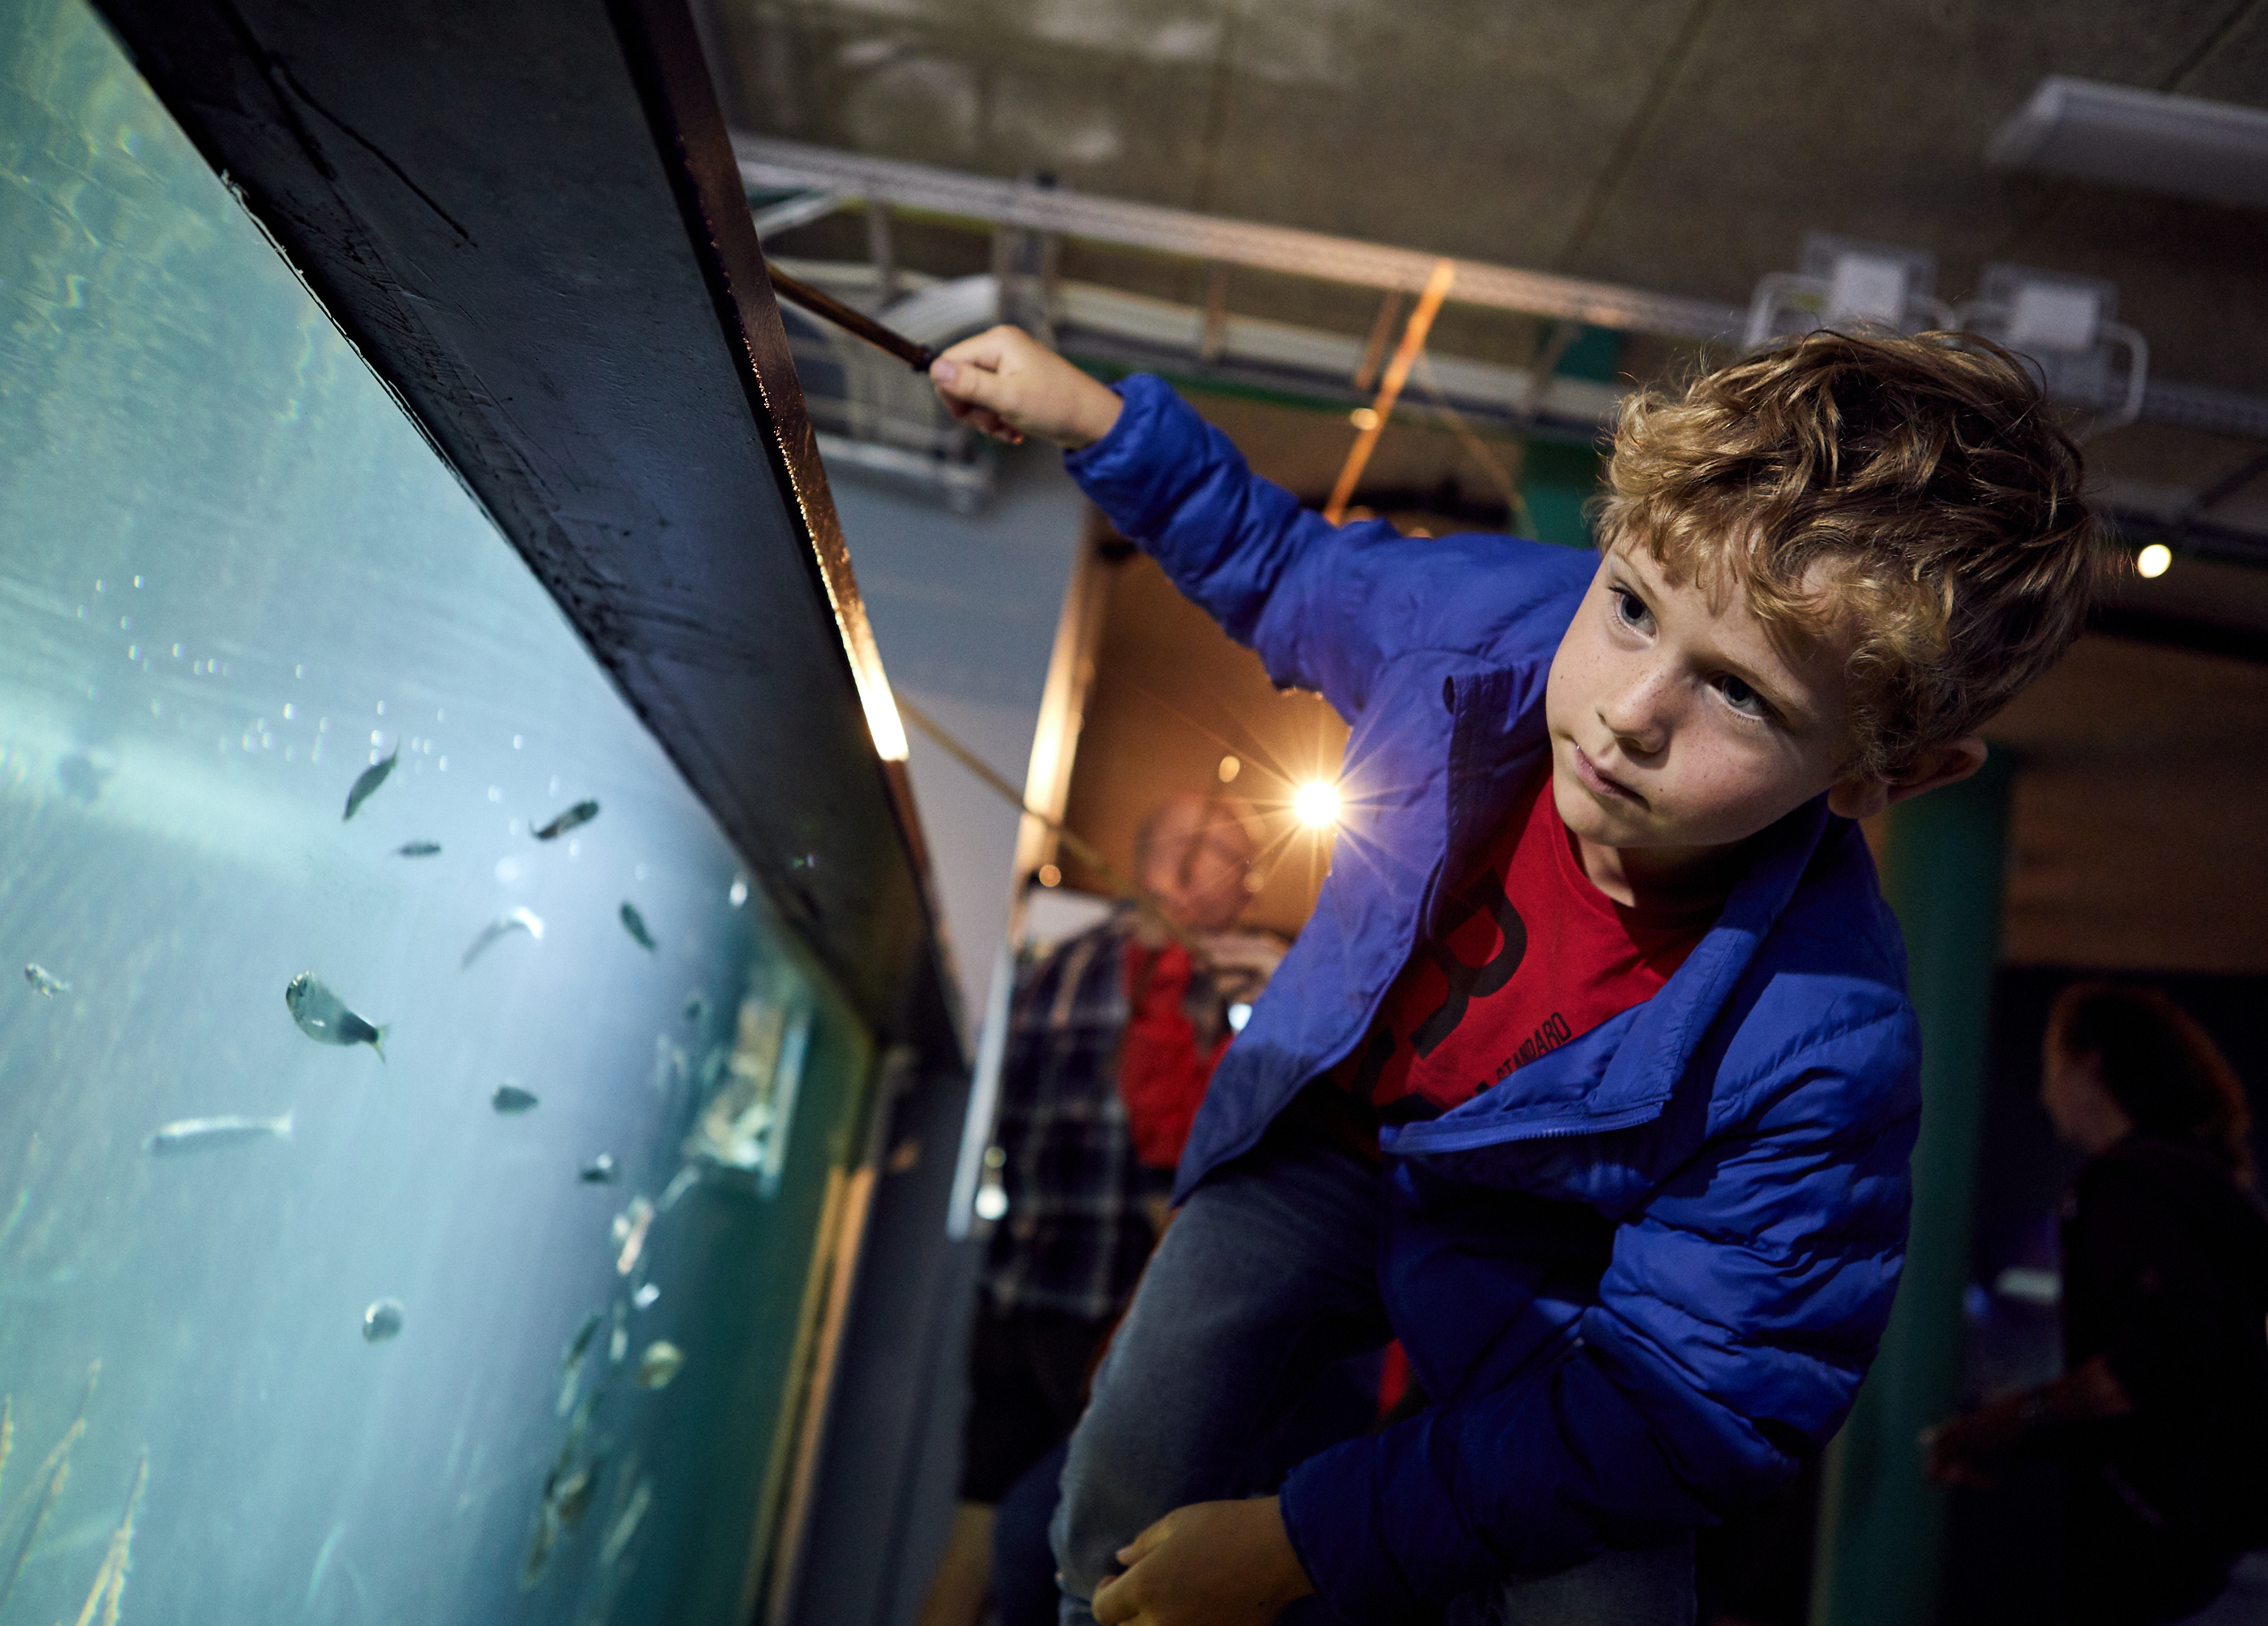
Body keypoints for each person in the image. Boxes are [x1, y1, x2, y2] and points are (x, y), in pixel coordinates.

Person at [923, 323, 2103, 1624]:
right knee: (1118, 1487)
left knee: (1607, 1605)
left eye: (1741, 694)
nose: (1629, 712)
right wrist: (1094, 419)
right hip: (1321, 1144)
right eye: (1633, 605)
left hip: (1546, 1267)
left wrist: (1306, 1541)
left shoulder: (1824, 1047)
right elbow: (1287, 566)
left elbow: (1687, 1406)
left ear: (1892, 772)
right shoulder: (1478, 622)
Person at [916, 794, 1275, 1626]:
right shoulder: (1182, 982)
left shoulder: (1055, 963)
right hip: (1111, 1321)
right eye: (1237, 864)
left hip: (1014, 1292)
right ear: (1180, 863)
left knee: (977, 1536)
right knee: (1085, 1566)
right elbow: (1182, 1175)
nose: (1249, 889)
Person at [1928, 985, 2268, 1624]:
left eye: (2051, 1065)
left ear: (2092, 1063)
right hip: (2227, 1552)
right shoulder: (2201, 1183)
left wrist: (2013, 1420)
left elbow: (2155, 1362)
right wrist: (2022, 1443)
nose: (2044, 1092)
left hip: (2178, 1572)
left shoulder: (2130, 1183)